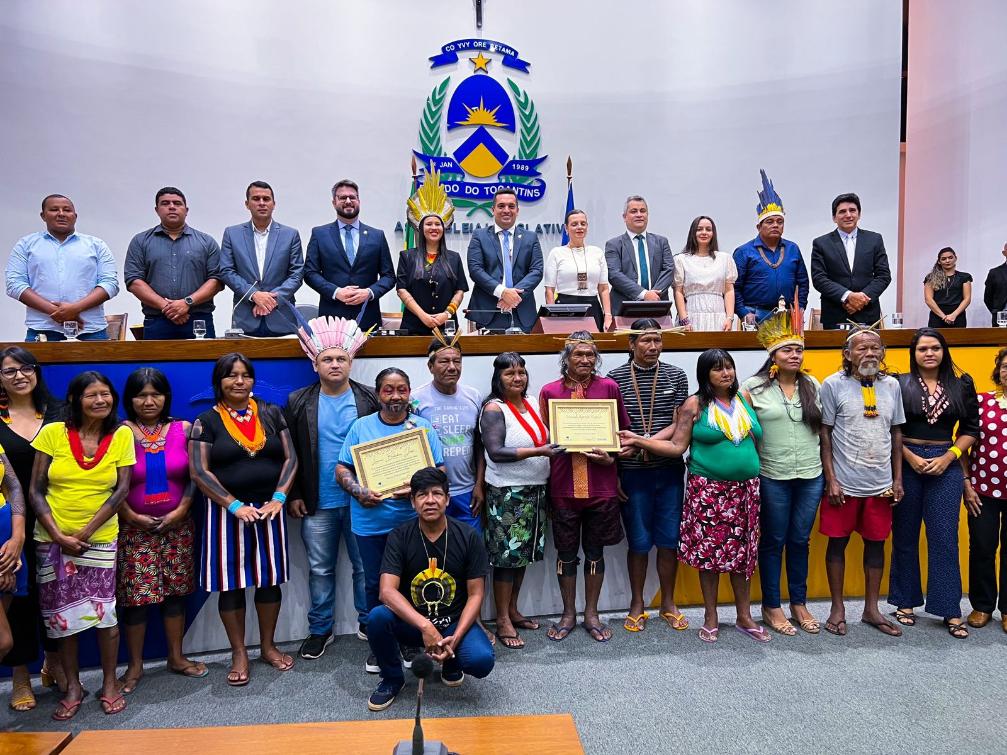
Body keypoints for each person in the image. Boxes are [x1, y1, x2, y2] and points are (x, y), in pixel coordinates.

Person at [622, 349, 767, 644]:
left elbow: (755, 441)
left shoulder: (744, 399)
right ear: (705, 375)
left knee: (744, 557)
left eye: (729, 367)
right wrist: (640, 441)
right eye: (718, 369)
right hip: (710, 492)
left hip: (746, 491)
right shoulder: (694, 405)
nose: (726, 373)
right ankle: (711, 616)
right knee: (710, 557)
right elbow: (677, 447)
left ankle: (744, 616)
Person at [30, 372, 135, 719]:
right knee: (64, 620)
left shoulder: (121, 435)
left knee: (105, 615)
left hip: (100, 539)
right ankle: (73, 686)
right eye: (91, 395)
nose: (100, 401)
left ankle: (109, 683)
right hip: (52, 540)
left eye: (106, 394)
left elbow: (121, 490)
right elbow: (35, 489)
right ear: (75, 399)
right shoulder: (52, 433)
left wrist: (86, 533)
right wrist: (59, 535)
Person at [189, 353, 298, 686]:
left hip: (270, 510)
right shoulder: (204, 421)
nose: (239, 381)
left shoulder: (271, 413)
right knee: (230, 585)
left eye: (245, 375)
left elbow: (291, 458)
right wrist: (233, 504)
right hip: (225, 514)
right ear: (218, 381)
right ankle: (239, 653)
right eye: (231, 375)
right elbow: (199, 470)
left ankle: (267, 646)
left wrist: (279, 497)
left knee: (269, 581)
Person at [335, 368, 445, 673]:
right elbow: (342, 470)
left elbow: (441, 472)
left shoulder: (422, 428)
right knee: (374, 584)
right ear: (378, 394)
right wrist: (358, 491)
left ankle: (409, 639)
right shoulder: (361, 427)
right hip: (371, 522)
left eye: (401, 390)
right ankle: (379, 645)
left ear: (409, 393)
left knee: (412, 583)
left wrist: (417, 489)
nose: (395, 396)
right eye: (388, 390)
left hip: (412, 524)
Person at [364, 467, 494, 712]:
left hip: (454, 623)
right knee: (377, 617)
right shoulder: (399, 536)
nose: (430, 500)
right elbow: (386, 592)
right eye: (422, 495)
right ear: (413, 502)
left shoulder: (468, 536)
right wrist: (425, 626)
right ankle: (393, 679)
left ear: (448, 499)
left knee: (481, 660)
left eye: (437, 493)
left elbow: (476, 593)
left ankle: (451, 660)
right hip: (414, 625)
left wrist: (454, 638)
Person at [286, 316, 377, 658]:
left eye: (341, 358)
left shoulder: (369, 398)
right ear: (315, 364)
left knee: (365, 566)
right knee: (320, 569)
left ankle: (369, 621)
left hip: (362, 502)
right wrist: (294, 494)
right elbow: (290, 452)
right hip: (317, 501)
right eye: (328, 359)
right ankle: (320, 629)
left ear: (351, 362)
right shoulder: (298, 401)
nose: (335, 364)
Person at [116, 368, 206, 693]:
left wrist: (182, 509)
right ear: (130, 399)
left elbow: (197, 475)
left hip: (178, 527)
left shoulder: (184, 428)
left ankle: (176, 657)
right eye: (141, 395)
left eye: (156, 394)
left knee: (176, 596)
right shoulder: (120, 432)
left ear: (166, 396)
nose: (149, 401)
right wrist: (131, 516)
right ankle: (135, 666)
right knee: (137, 600)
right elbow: (111, 484)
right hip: (133, 530)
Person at [539, 332, 630, 642]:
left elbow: (624, 436)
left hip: (601, 486)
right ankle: (568, 613)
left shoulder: (609, 388)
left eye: (590, 355)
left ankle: (591, 613)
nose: (585, 360)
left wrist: (611, 455)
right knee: (565, 554)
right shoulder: (549, 391)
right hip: (564, 485)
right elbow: (541, 439)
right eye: (578, 355)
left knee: (595, 552)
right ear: (567, 358)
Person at [741, 307, 825, 635]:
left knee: (800, 540)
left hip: (810, 475)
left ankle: (799, 603)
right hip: (772, 476)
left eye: (799, 349)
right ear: (773, 354)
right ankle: (772, 606)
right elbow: (742, 433)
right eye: (788, 350)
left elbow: (823, 432)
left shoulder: (812, 385)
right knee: (774, 540)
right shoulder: (753, 387)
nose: (795, 355)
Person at [890, 329, 978, 638]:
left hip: (946, 462)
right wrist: (909, 457)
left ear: (944, 351)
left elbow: (970, 429)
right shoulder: (898, 383)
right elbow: (889, 428)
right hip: (906, 461)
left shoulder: (962, 384)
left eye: (935, 348)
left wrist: (950, 456)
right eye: (922, 348)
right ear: (913, 354)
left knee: (944, 536)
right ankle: (905, 601)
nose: (929, 353)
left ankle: (949, 608)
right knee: (905, 534)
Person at [819, 326, 905, 637]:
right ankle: (837, 608)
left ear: (883, 353)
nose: (869, 353)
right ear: (847, 354)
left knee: (876, 546)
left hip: (880, 484)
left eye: (875, 348)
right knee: (837, 544)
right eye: (862, 348)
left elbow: (896, 432)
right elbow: (824, 434)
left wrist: (897, 478)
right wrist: (831, 479)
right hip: (843, 483)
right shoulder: (833, 385)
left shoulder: (892, 385)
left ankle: (871, 608)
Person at [606, 319, 690, 633]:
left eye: (657, 340)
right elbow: (609, 428)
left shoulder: (677, 375)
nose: (652, 346)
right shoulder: (613, 379)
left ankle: (667, 602)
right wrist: (613, 474)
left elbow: (681, 421)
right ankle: (637, 603)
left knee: (669, 541)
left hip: (667, 471)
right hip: (632, 474)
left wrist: (646, 441)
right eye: (645, 341)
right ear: (631, 345)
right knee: (639, 542)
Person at [480, 352, 559, 649]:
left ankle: (513, 609)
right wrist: (540, 452)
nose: (517, 378)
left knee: (523, 556)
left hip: (535, 490)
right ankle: (501, 619)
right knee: (506, 559)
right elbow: (496, 452)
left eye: (521, 372)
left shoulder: (530, 404)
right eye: (510, 373)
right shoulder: (493, 409)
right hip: (508, 495)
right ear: (498, 378)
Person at [0, 347, 65, 712]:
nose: (19, 376)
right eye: (9, 371)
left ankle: (53, 662)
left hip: (58, 519)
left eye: (26, 368)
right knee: (19, 599)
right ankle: (20, 676)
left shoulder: (58, 413)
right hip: (9, 527)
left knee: (55, 595)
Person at [6, 194, 119, 342]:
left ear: (75, 216)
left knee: (95, 367)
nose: (61, 214)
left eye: (67, 210)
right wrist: (56, 312)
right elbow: (14, 284)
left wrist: (75, 309)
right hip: (42, 331)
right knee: (36, 367)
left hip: (90, 330)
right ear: (43, 215)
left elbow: (110, 283)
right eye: (54, 209)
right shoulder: (26, 245)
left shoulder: (96, 245)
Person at [124, 186, 223, 340]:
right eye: (165, 203)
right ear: (157, 210)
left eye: (177, 203)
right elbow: (134, 281)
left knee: (202, 364)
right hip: (157, 321)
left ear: (186, 209)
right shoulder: (140, 242)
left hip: (198, 321)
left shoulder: (206, 242)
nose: (171, 207)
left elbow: (216, 280)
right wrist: (166, 307)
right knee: (155, 365)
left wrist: (187, 303)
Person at [412, 334, 484, 532]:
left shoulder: (473, 396)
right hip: (431, 494)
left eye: (457, 361)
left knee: (469, 550)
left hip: (467, 492)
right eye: (444, 361)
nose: (452, 367)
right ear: (430, 366)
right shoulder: (416, 400)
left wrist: (479, 485)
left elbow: (479, 444)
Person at [304, 179, 394, 331]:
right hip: (331, 319)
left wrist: (369, 292)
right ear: (334, 202)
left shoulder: (376, 236)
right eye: (342, 197)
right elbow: (309, 273)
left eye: (352, 197)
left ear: (359, 200)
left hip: (367, 317)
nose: (348, 201)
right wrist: (336, 292)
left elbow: (389, 276)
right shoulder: (319, 234)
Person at [219, 181, 304, 337]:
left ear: (274, 204)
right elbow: (226, 271)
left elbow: (297, 275)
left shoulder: (290, 235)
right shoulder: (232, 234)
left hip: (281, 318)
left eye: (266, 199)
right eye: (256, 199)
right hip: (246, 317)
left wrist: (270, 300)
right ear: (247, 204)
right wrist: (254, 295)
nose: (262, 203)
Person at [964, 347, 1007, 631]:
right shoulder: (981, 402)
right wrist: (967, 484)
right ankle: (982, 606)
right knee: (982, 547)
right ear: (998, 371)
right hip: (983, 491)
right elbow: (964, 446)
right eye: (1005, 366)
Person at [733, 171, 809, 326]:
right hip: (753, 315)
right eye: (770, 221)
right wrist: (743, 312)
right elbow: (734, 287)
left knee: (788, 351)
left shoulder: (792, 249)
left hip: (787, 315)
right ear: (758, 226)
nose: (775, 225)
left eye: (780, 221)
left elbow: (803, 283)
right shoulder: (743, 251)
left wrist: (799, 309)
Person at [396, 173, 468, 335]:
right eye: (429, 224)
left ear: (444, 228)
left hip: (446, 326)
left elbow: (459, 290)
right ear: (421, 228)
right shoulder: (406, 256)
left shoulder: (454, 258)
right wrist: (423, 316)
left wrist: (447, 314)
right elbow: (401, 290)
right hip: (414, 326)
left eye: (438, 224)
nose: (433, 227)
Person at [810, 193, 892, 330]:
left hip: (868, 313)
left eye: (852, 210)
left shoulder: (874, 239)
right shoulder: (821, 243)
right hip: (835, 313)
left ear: (859, 215)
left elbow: (883, 275)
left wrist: (862, 300)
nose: (848, 215)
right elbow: (819, 278)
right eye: (842, 211)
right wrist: (848, 296)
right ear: (834, 217)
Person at [466, 188, 544, 332]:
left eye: (511, 206)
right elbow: (475, 269)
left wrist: (513, 296)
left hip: (522, 312)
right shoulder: (479, 236)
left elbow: (537, 271)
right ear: (493, 210)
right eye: (501, 206)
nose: (506, 210)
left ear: (517, 210)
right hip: (489, 312)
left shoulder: (530, 237)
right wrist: (502, 292)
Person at [603, 195, 676, 312]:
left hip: (658, 306)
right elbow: (614, 275)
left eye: (643, 211)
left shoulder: (662, 242)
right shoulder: (614, 244)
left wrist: (653, 296)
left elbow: (669, 270)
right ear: (624, 216)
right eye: (633, 211)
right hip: (624, 309)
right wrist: (644, 294)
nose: (639, 214)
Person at [544, 210, 612, 331]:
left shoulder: (597, 252)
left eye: (583, 223)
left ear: (587, 227)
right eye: (574, 224)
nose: (579, 227)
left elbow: (603, 289)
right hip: (565, 306)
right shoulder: (556, 253)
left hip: (593, 306)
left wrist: (608, 316)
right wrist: (552, 317)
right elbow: (549, 290)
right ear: (566, 228)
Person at [674, 215, 737, 331]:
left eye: (708, 229)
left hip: (719, 317)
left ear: (713, 233)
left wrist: (729, 318)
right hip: (691, 317)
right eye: (699, 229)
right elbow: (678, 291)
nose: (704, 232)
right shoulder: (681, 259)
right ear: (693, 232)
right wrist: (684, 319)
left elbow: (729, 290)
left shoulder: (724, 258)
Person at [923, 247, 972, 328]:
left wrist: (954, 315)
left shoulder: (964, 277)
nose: (947, 261)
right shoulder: (930, 277)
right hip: (937, 316)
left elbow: (967, 299)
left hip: (958, 316)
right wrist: (943, 316)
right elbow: (928, 299)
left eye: (950, 257)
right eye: (943, 259)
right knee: (937, 339)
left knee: (958, 340)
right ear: (939, 261)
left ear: (955, 258)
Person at [982, 243, 1007, 326]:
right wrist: (996, 311)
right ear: (1004, 253)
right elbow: (987, 297)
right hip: (1002, 318)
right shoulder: (995, 273)